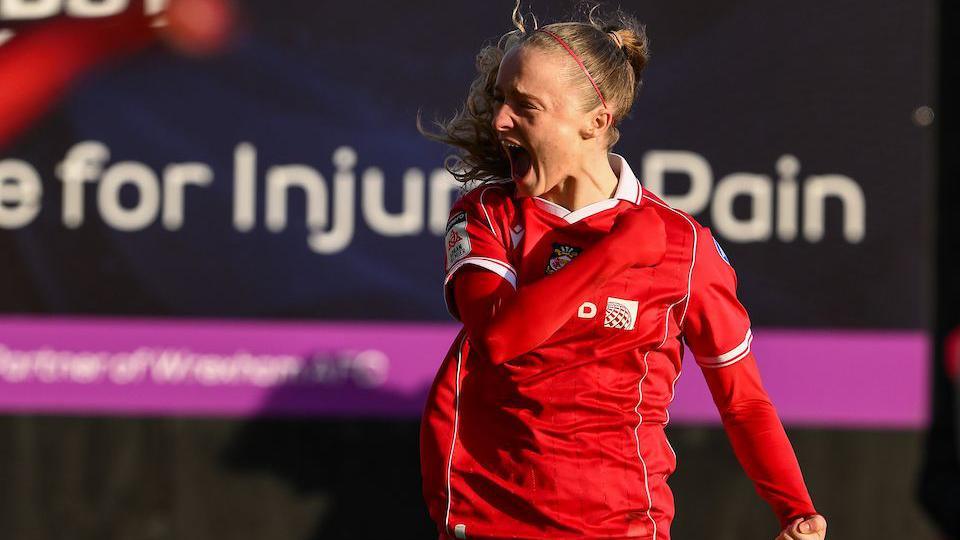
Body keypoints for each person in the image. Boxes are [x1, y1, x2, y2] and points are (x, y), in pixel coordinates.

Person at [419, 4, 827, 539]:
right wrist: (614, 255)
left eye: (525, 106)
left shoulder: (683, 245)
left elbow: (743, 400)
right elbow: (498, 336)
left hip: (621, 528)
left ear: (597, 120)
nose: (500, 120)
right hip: (488, 521)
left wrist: (797, 511)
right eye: (500, 100)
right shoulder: (488, 213)